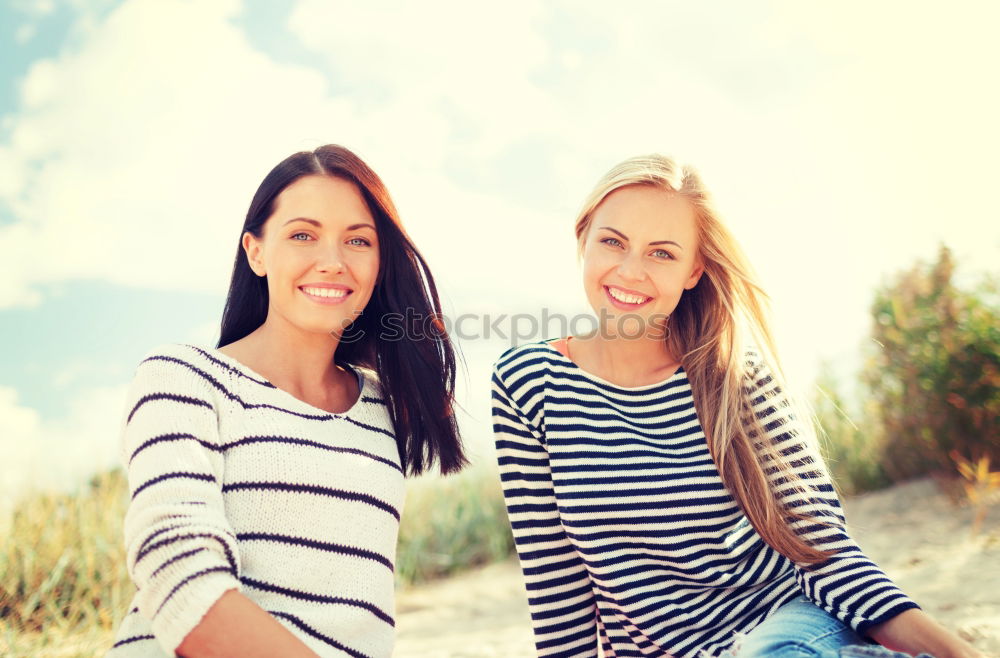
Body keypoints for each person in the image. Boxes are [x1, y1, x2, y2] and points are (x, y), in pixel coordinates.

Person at [491, 154, 982, 658]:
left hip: (788, 628)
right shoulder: (527, 382)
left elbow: (823, 553)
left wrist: (957, 653)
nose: (630, 270)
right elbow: (557, 589)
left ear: (693, 270)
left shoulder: (734, 374)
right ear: (583, 239)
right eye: (613, 242)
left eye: (662, 253)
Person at [107, 144, 466, 657]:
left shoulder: (385, 408)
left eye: (358, 240)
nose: (333, 262)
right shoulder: (184, 377)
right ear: (255, 251)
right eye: (303, 235)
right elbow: (176, 571)